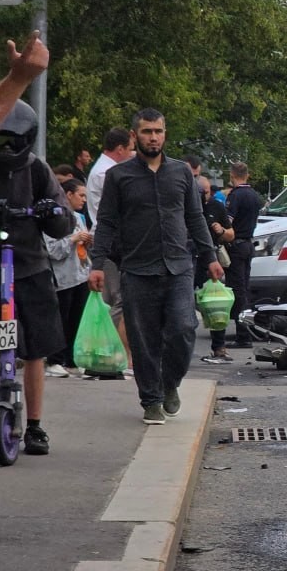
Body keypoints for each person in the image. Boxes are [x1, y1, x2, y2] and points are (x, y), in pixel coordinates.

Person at [89, 108, 222, 424]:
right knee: (143, 339)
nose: (153, 137)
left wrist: (211, 257)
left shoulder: (181, 173)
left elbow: (195, 218)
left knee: (183, 328)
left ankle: (169, 383)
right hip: (137, 269)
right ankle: (151, 400)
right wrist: (97, 264)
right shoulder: (119, 176)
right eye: (147, 131)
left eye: (158, 131)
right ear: (135, 136)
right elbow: (106, 222)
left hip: (178, 267)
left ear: (165, 134)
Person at [0, 100, 74, 454]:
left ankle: (35, 426)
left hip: (30, 267)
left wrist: (52, 213)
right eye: (1, 141)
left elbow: (63, 220)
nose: (7, 149)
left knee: (36, 350)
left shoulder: (36, 169)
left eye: (14, 142)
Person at [86, 126, 135, 373]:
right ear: (120, 149)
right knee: (120, 299)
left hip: (106, 241)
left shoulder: (102, 168)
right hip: (110, 242)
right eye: (130, 149)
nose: (132, 154)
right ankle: (114, 352)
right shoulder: (107, 173)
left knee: (114, 299)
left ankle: (112, 353)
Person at [44, 178, 93, 377]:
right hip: (62, 277)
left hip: (80, 274)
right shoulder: (53, 217)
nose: (83, 200)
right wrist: (73, 239)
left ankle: (72, 359)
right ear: (69, 195)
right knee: (61, 319)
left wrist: (86, 241)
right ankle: (54, 359)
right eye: (81, 195)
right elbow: (53, 250)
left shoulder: (79, 217)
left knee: (77, 319)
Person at [196, 174, 235, 363]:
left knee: (216, 303)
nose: (204, 196)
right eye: (201, 193)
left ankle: (219, 347)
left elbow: (231, 234)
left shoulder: (216, 206)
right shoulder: (185, 206)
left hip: (209, 260)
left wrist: (222, 231)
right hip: (187, 259)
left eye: (206, 192)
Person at [224, 162, 261, 347]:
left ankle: (243, 335)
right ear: (247, 175)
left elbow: (228, 221)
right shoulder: (254, 195)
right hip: (248, 245)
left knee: (237, 290)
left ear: (232, 175)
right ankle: (247, 330)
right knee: (245, 288)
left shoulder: (235, 195)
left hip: (236, 246)